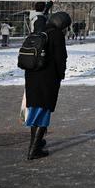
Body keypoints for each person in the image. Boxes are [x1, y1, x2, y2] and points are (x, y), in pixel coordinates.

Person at [24, 11, 70, 160]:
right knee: (43, 112)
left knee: (35, 111)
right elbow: (60, 57)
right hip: (47, 78)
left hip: (32, 75)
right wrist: (60, 75)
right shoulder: (57, 35)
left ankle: (36, 143)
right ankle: (34, 150)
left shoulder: (41, 30)